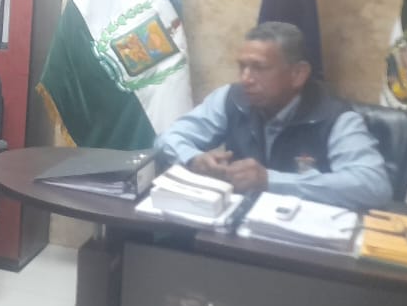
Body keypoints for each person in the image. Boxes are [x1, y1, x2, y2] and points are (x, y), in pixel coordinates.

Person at [157, 21, 392, 210]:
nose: (245, 79)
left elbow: (374, 186)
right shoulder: (232, 99)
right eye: (242, 67)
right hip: (233, 233)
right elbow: (168, 138)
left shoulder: (335, 118)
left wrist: (270, 181)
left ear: (298, 74)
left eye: (259, 68)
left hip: (300, 242)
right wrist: (194, 159)